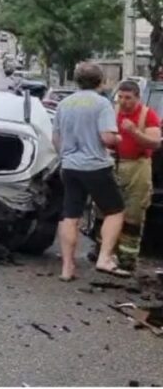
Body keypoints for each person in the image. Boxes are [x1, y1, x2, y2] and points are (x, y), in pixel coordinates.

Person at [54, 63, 129, 281]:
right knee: (115, 211)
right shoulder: (102, 104)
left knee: (70, 215)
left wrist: (65, 157)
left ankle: (67, 268)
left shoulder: (64, 104)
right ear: (100, 81)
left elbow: (56, 139)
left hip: (69, 167)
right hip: (95, 166)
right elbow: (107, 137)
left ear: (76, 81)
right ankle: (105, 258)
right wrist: (118, 139)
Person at [113, 80, 161, 272]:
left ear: (137, 98)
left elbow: (155, 142)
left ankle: (127, 257)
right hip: (114, 164)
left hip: (138, 166)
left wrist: (134, 131)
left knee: (133, 213)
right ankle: (104, 251)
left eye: (128, 98)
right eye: (121, 97)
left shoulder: (147, 115)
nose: (124, 102)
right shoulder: (112, 112)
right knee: (107, 210)